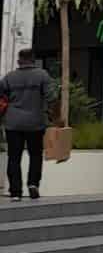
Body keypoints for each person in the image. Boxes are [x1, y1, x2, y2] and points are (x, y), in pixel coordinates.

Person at [0, 46, 54, 200]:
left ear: (19, 60)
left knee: (14, 157)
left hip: (13, 123)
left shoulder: (10, 77)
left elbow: (1, 92)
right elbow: (51, 96)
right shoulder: (42, 75)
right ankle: (33, 184)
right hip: (35, 123)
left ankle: (15, 193)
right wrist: (53, 114)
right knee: (35, 155)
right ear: (33, 60)